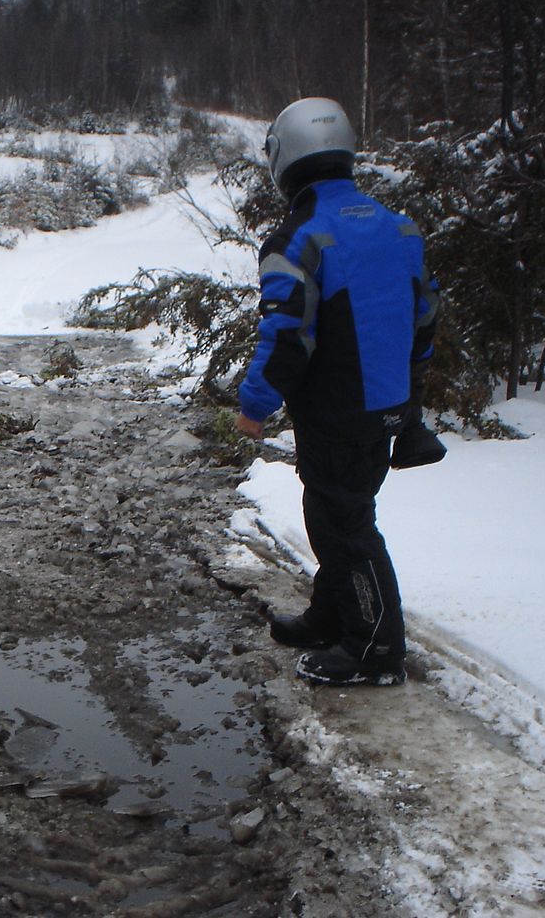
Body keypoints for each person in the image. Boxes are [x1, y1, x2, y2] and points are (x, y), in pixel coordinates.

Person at [234, 97, 439, 686]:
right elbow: (426, 318)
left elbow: (287, 331)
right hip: (386, 404)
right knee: (335, 513)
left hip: (335, 408)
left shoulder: (299, 236)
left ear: (286, 158)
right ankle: (334, 614)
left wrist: (255, 407)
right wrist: (412, 394)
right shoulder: (398, 226)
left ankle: (375, 648)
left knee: (344, 525)